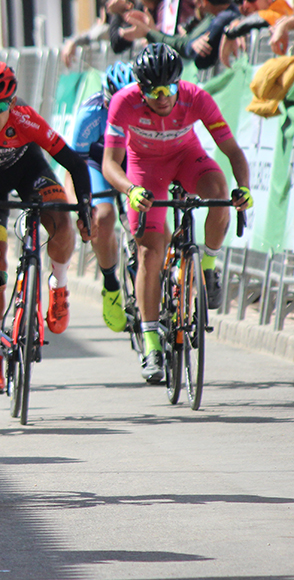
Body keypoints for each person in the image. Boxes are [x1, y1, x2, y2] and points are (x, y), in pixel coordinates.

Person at [101, 43, 251, 382]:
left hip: (186, 158)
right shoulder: (123, 102)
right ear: (140, 89)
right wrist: (130, 189)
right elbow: (109, 164)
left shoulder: (195, 97)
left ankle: (209, 266)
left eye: (169, 88)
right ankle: (152, 341)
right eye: (153, 91)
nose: (163, 97)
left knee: (218, 193)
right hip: (145, 169)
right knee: (150, 250)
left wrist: (243, 188)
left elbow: (232, 151)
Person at [0, 60, 93, 394]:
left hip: (26, 172)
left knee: (60, 218)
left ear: (11, 103)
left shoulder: (24, 118)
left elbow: (75, 164)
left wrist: (85, 212)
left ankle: (59, 283)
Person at [72, 61, 136, 332]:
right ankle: (111, 285)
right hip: (99, 163)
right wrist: (81, 204)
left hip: (134, 161)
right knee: (105, 216)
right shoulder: (90, 112)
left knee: (144, 219)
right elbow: (75, 163)